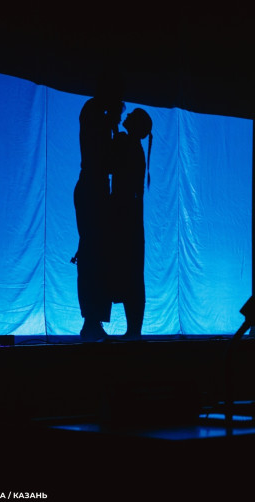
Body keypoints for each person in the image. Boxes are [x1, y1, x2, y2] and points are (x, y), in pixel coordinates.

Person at [72, 70, 124, 339]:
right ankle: (92, 320)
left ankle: (93, 320)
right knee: (94, 254)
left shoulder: (97, 113)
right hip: (94, 187)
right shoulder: (95, 112)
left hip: (96, 187)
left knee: (97, 254)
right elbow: (105, 158)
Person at [110, 107, 153, 338]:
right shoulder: (134, 147)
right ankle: (134, 330)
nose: (125, 116)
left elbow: (111, 164)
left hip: (125, 219)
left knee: (131, 274)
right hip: (131, 219)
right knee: (133, 273)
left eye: (131, 116)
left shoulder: (127, 145)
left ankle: (134, 330)